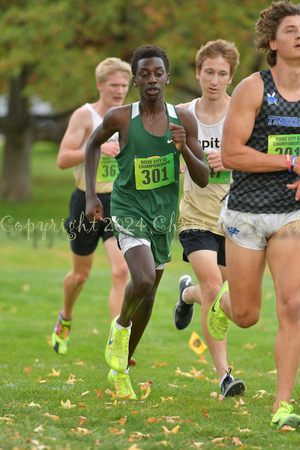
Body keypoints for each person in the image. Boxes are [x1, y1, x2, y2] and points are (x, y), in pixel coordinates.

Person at [85, 45, 209, 399]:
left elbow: (202, 177)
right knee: (139, 279)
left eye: (158, 73)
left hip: (162, 218)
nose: (152, 79)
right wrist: (93, 194)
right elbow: (92, 146)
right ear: (136, 79)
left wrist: (184, 148)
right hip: (127, 209)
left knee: (150, 295)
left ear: (167, 78)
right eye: (145, 74)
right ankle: (119, 326)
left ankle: (120, 368)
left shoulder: (183, 120)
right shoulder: (121, 117)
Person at [207, 0, 300, 430]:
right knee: (246, 315)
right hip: (246, 213)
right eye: (291, 29)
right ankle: (218, 304)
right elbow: (232, 153)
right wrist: (289, 163)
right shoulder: (253, 88)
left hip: (291, 216)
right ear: (271, 41)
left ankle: (284, 404)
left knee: (294, 305)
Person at [173, 40, 245, 397]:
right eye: (208, 72)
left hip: (234, 219)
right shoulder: (182, 113)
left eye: (222, 74)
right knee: (216, 290)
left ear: (231, 77)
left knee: (231, 298)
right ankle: (224, 376)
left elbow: (260, 165)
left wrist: (230, 161)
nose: (214, 80)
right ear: (198, 72)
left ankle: (186, 294)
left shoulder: (243, 113)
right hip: (194, 216)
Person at [51, 57, 131, 356]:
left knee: (121, 270)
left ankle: (117, 342)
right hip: (85, 202)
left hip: (116, 203)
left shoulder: (128, 115)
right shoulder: (84, 116)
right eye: (114, 86)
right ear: (100, 85)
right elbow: (61, 159)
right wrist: (96, 147)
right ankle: (66, 317)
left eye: (124, 85)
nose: (120, 91)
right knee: (80, 276)